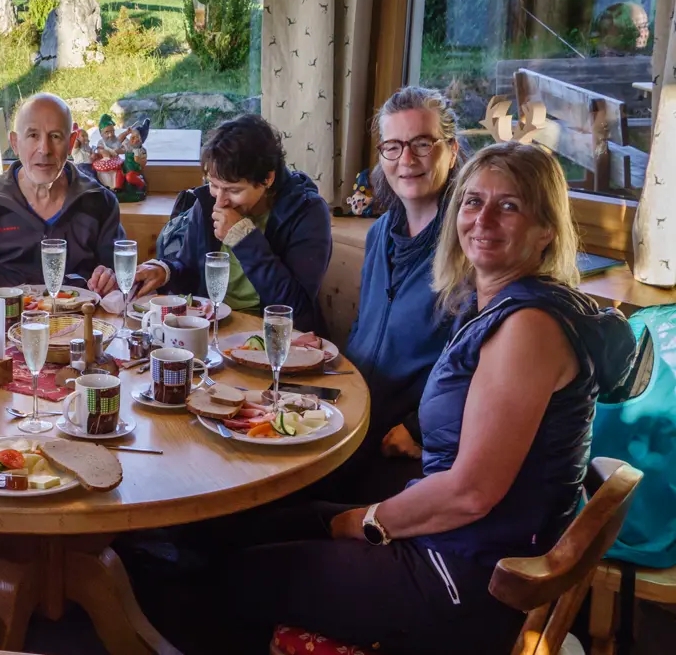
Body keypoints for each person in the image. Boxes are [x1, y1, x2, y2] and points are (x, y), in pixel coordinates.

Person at [196, 143, 635, 654]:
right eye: (472, 202)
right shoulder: (511, 304)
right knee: (254, 522)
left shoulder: (528, 330)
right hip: (462, 541)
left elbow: (470, 493)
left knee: (233, 576)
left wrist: (367, 520)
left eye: (509, 206)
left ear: (547, 230)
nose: (483, 219)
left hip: (461, 578)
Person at [334, 86, 463, 501]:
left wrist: (417, 428)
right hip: (347, 421)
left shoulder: (466, 248)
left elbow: (474, 367)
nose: (406, 160)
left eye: (422, 144)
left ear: (452, 151)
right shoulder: (379, 234)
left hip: (401, 448)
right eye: (392, 146)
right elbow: (364, 328)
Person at [133, 114, 332, 335]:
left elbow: (296, 309)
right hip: (211, 331)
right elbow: (189, 270)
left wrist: (243, 237)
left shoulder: (306, 212)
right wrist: (166, 270)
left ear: (267, 179)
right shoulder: (208, 203)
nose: (219, 201)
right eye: (214, 185)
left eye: (234, 190)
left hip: (272, 337)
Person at [0, 93, 124, 305]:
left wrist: (110, 277)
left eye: (55, 136)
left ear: (71, 142)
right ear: (15, 143)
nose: (44, 149)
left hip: (79, 326)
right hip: (4, 324)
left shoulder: (100, 202)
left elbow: (119, 273)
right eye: (33, 135)